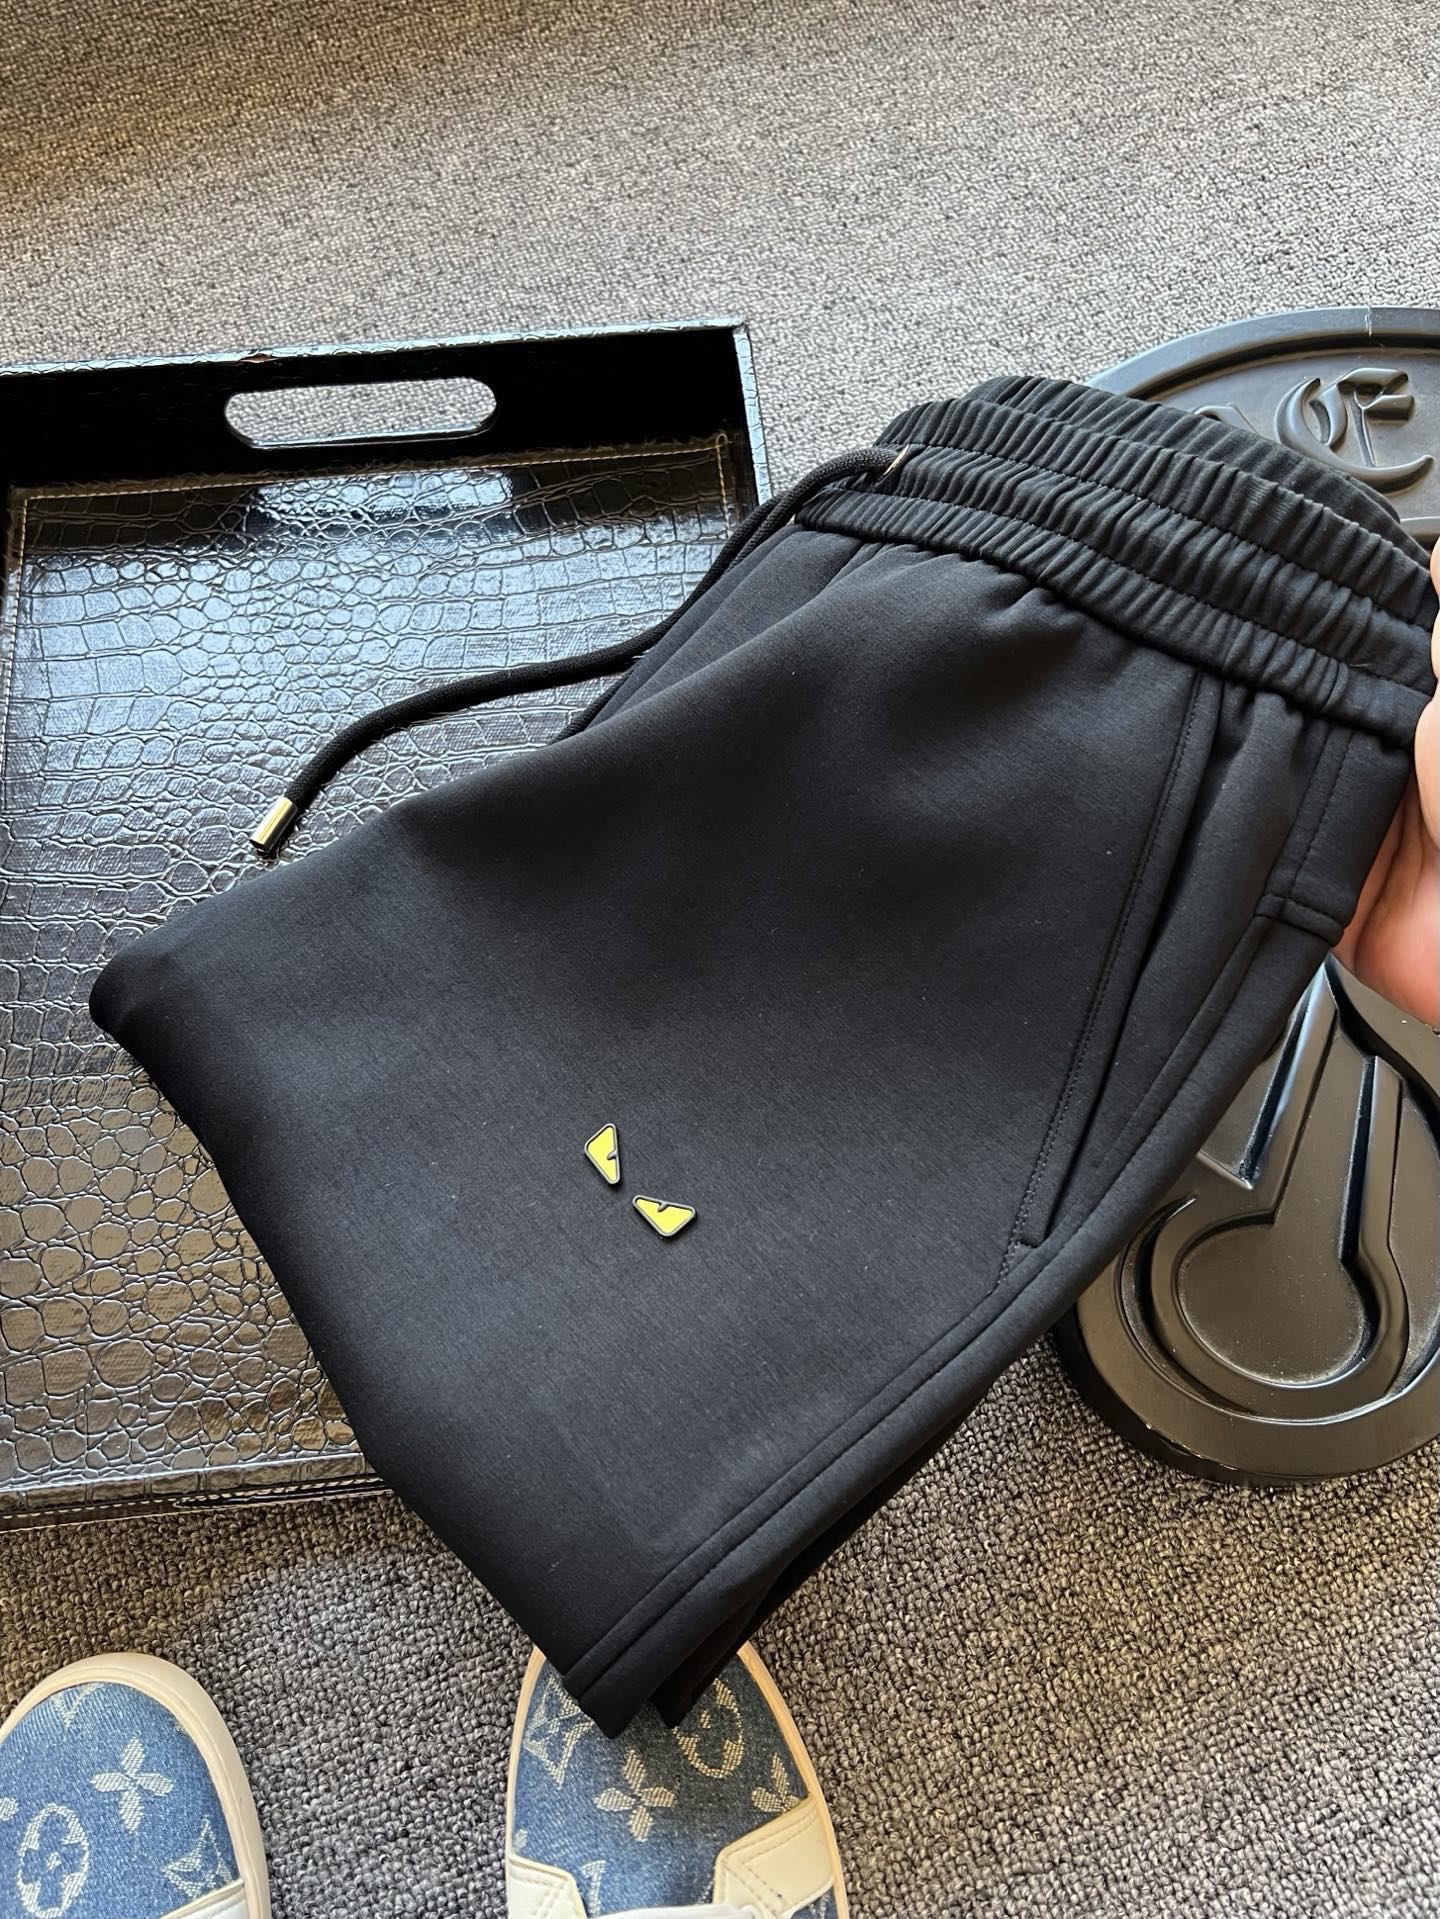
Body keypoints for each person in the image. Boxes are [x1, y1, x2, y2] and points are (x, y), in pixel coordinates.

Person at [3, 557, 1434, 1919]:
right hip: (990, 535)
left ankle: (623, 1516)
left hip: (1075, 607)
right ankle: (626, 1532)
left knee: (652, 1383)